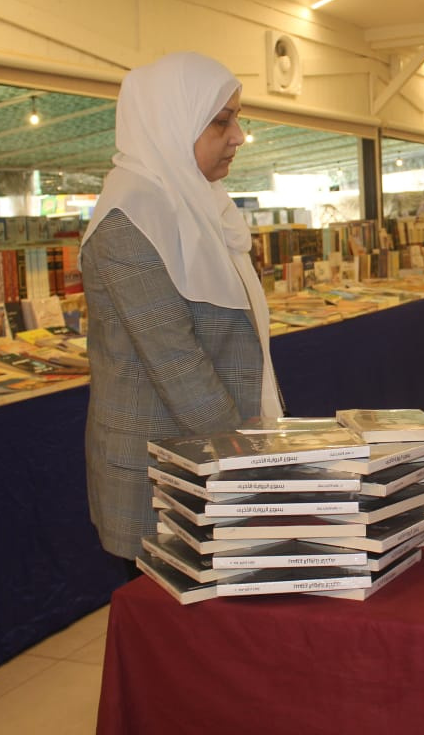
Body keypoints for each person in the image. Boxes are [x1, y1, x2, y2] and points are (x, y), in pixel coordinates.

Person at [81, 52, 282, 566]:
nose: (238, 136)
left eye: (237, 119)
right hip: (162, 472)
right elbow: (177, 366)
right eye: (221, 122)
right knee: (169, 612)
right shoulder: (130, 218)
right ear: (172, 121)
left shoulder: (203, 202)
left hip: (211, 458)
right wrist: (252, 465)